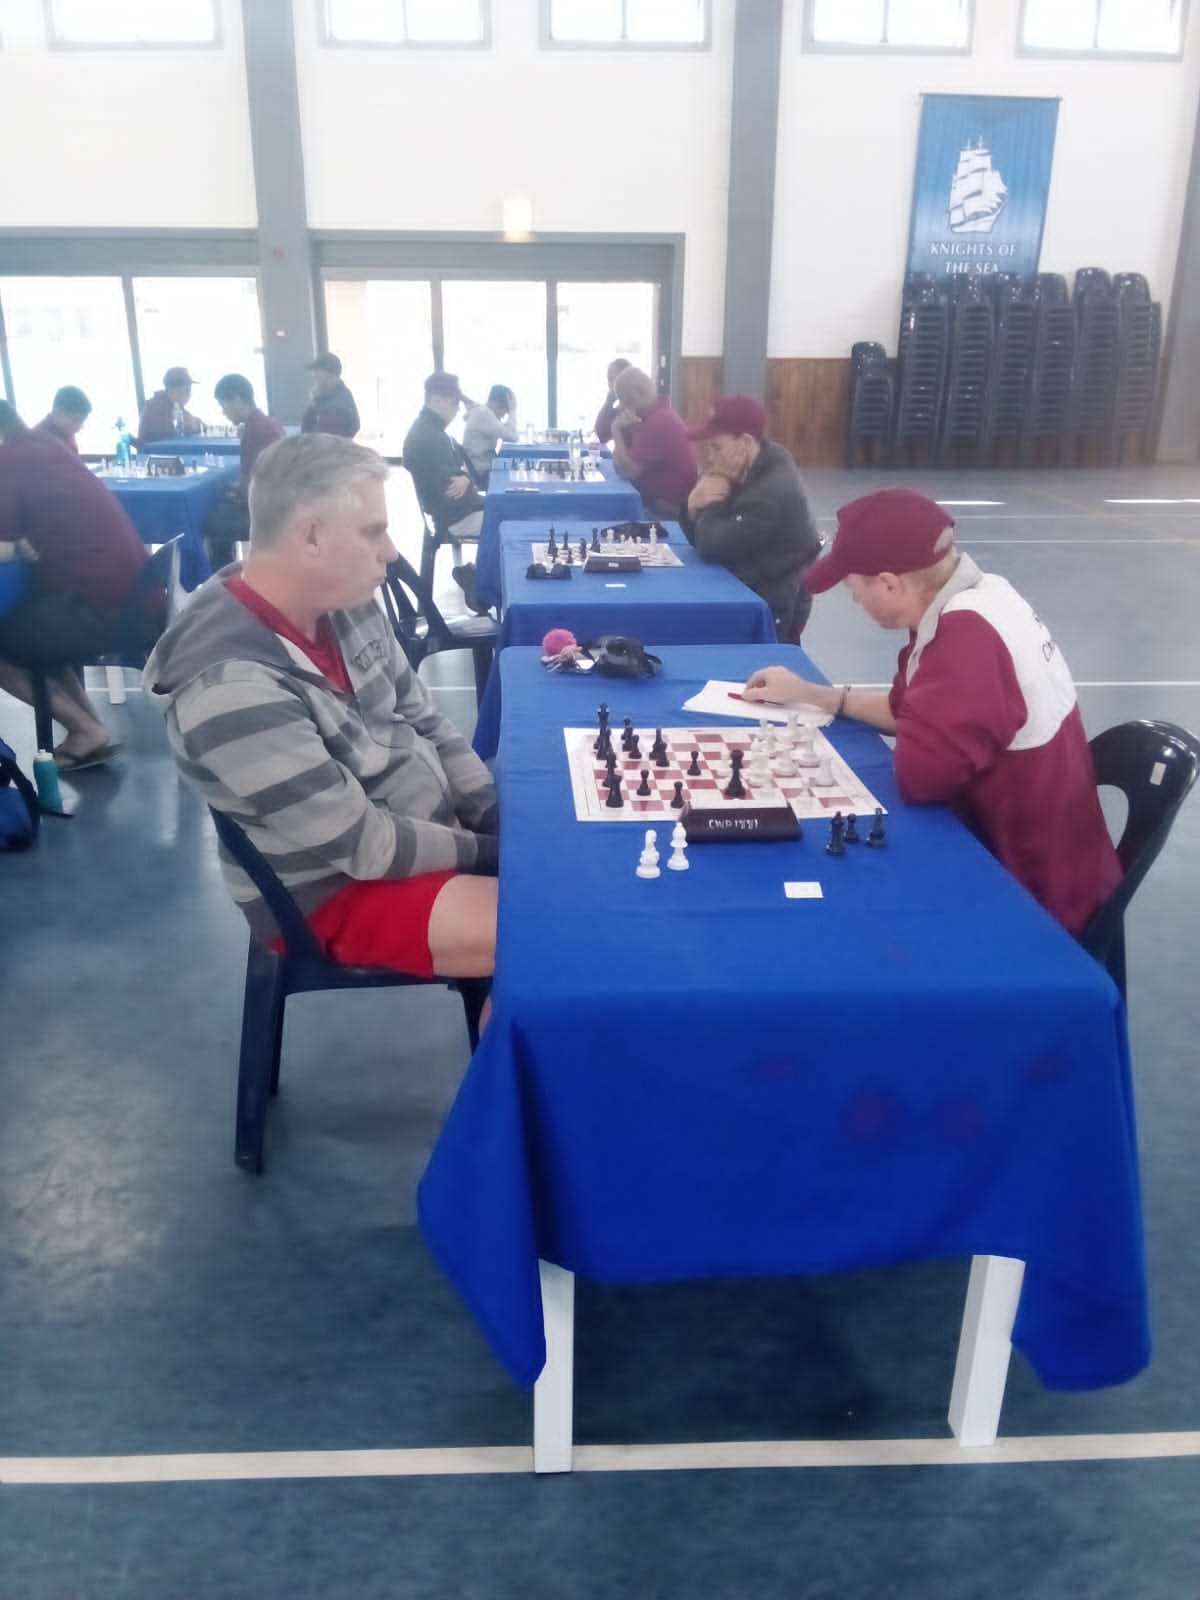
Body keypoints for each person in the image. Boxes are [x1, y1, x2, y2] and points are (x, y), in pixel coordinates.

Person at [144, 432, 497, 981]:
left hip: (421, 827)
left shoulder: (340, 598)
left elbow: (424, 718)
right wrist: (491, 851)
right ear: (311, 536)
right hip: (333, 890)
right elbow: (365, 848)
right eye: (374, 531)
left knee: (570, 853)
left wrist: (493, 810)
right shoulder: (229, 690)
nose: (390, 551)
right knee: (558, 930)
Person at [742, 488, 1121, 936]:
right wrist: (814, 694)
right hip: (1048, 858)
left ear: (889, 584)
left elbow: (919, 779)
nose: (854, 600)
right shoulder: (980, 596)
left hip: (1032, 895)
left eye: (853, 587)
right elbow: (904, 710)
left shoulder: (966, 641)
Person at [0, 401, 153, 771]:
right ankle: (90, 727)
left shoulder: (9, 460)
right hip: (135, 594)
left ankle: (84, 729)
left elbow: (3, 550)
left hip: (106, 609)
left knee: (7, 644)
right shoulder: (46, 445)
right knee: (35, 625)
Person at [681, 394, 821, 639]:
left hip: (768, 605)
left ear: (745, 442)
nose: (710, 457)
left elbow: (710, 546)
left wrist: (706, 504)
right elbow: (702, 538)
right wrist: (692, 507)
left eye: (716, 447)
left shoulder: (767, 496)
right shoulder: (758, 460)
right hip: (749, 580)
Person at [202, 373, 286, 569]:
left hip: (266, 510)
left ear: (237, 400)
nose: (223, 412)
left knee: (209, 523)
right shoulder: (267, 422)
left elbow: (250, 487)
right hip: (279, 500)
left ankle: (222, 575)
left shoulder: (256, 430)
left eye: (223, 406)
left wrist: (236, 490)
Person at [609, 366, 698, 521]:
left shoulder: (657, 422)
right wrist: (624, 433)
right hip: (667, 503)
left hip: (666, 510)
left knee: (611, 515)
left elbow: (627, 471)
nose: (621, 407)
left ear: (636, 394)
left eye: (623, 400)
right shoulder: (659, 416)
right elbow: (620, 468)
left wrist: (616, 430)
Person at [462, 385, 518, 485]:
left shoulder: (482, 411)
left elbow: (507, 432)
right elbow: (512, 436)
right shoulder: (484, 414)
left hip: (480, 466)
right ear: (498, 405)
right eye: (505, 411)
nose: (504, 416)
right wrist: (512, 411)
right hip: (482, 472)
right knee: (516, 479)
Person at [137, 367, 202, 449]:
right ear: (175, 390)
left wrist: (196, 425)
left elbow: (200, 425)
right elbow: (170, 433)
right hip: (157, 455)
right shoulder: (157, 407)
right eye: (187, 391)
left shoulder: (174, 406)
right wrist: (190, 427)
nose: (189, 395)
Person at [300, 353, 360, 438]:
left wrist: (314, 403)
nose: (314, 375)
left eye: (317, 371)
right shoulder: (327, 400)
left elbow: (315, 441)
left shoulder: (337, 408)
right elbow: (306, 436)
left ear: (329, 373)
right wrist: (313, 404)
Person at [34, 386, 92, 453]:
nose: (81, 426)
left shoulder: (65, 433)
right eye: (77, 420)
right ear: (57, 412)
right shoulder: (41, 441)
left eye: (82, 421)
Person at [593, 358, 632, 446]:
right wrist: (608, 402)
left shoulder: (636, 409)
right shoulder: (618, 408)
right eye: (608, 379)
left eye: (611, 379)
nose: (609, 384)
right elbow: (600, 435)